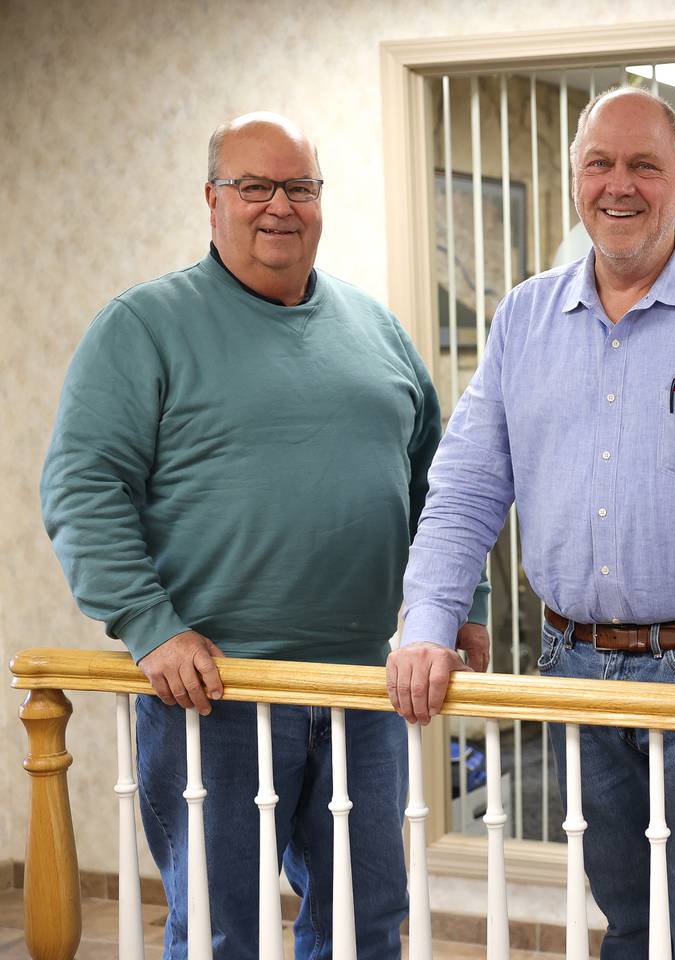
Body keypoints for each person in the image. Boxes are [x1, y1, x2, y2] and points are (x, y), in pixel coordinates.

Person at [387, 86, 675, 959]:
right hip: (574, 666)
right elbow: (463, 489)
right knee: (629, 918)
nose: (620, 184)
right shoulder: (525, 318)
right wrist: (428, 623)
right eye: (599, 163)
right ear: (575, 179)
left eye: (644, 163)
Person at [40, 112, 487, 958]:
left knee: (367, 922)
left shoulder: (378, 329)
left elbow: (443, 485)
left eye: (300, 187)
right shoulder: (143, 327)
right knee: (223, 931)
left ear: (321, 200)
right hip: (215, 690)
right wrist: (149, 624)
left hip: (364, 688)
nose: (279, 205)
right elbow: (81, 487)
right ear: (212, 201)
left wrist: (459, 603)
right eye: (254, 186)